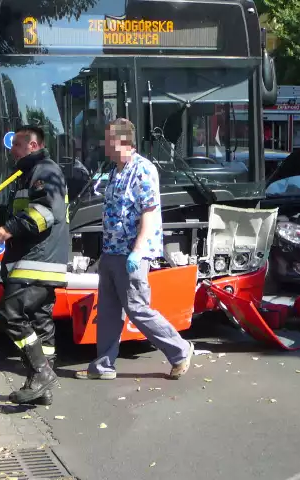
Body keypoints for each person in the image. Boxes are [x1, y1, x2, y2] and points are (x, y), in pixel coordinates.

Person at [75, 118, 194, 381]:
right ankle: (103, 366)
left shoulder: (143, 169)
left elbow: (149, 214)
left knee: (138, 309)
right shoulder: (117, 170)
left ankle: (180, 350)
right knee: (106, 312)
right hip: (111, 251)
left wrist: (137, 252)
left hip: (130, 253)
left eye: (108, 140)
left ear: (122, 141)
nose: (103, 145)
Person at [0, 125, 69, 405]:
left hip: (37, 261)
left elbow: (45, 212)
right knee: (40, 323)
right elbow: (21, 210)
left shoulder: (44, 170)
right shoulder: (28, 174)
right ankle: (42, 388)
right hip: (41, 260)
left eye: (17, 145)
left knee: (11, 314)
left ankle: (42, 374)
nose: (12, 150)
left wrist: (8, 228)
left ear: (33, 146)